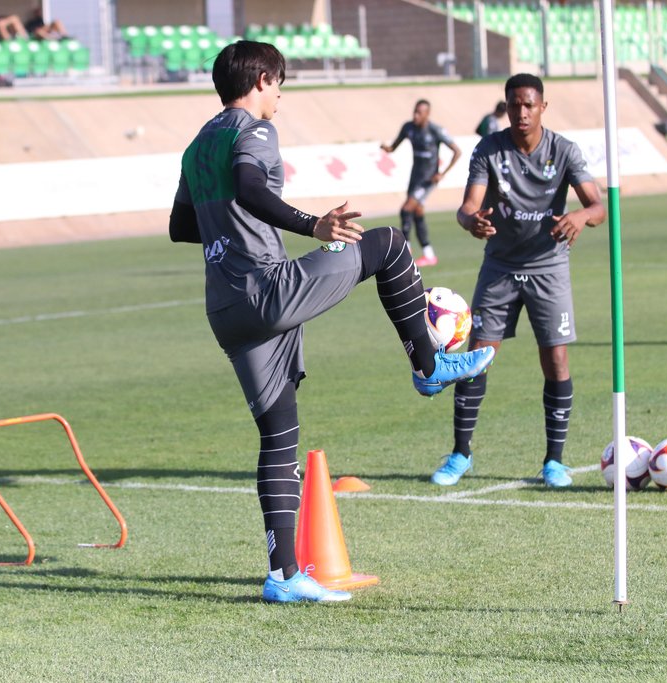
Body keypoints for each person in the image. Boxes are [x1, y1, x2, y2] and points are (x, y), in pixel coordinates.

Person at [169, 40, 495, 604]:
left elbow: (181, 226)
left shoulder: (198, 145)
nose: (280, 95)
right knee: (388, 245)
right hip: (267, 291)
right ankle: (429, 365)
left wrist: (230, 228)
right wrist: (311, 225)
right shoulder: (254, 128)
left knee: (278, 436)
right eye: (279, 83)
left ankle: (283, 576)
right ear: (262, 80)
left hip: (225, 309)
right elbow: (249, 185)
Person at [429, 73, 606, 489]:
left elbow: (598, 206)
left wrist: (580, 216)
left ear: (543, 106)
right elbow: (467, 207)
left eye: (529, 105)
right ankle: (460, 454)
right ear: (506, 107)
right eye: (514, 105)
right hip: (500, 268)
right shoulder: (489, 149)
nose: (522, 112)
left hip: (549, 267)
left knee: (556, 360)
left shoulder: (563, 150)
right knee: (476, 358)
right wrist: (472, 222)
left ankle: (554, 462)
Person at [380, 100, 461, 268]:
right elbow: (394, 147)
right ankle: (429, 254)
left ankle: (405, 252)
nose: (415, 116)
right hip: (415, 177)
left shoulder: (435, 130)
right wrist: (387, 148)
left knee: (405, 210)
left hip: (427, 180)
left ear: (427, 114)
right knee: (417, 213)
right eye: (414, 112)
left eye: (419, 113)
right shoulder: (408, 128)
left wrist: (442, 173)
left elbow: (457, 151)